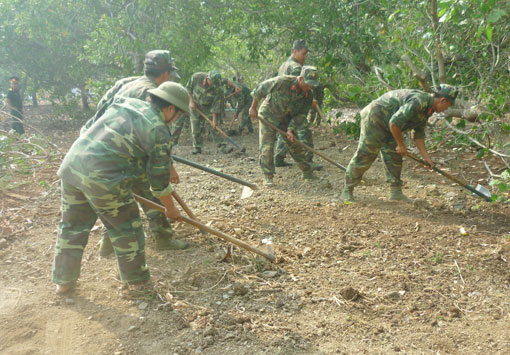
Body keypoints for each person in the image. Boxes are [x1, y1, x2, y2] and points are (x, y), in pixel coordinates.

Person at [52, 82, 190, 295]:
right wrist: (170, 210)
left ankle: (63, 282)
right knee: (127, 228)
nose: (176, 119)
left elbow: (89, 126)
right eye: (179, 114)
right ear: (171, 108)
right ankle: (137, 283)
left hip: (73, 164)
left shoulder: (125, 102)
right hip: (104, 178)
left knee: (72, 226)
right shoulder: (159, 130)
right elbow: (158, 182)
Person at [82, 50, 189, 256]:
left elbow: (100, 111)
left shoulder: (125, 82)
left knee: (116, 196)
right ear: (166, 74)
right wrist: (167, 168)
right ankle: (163, 237)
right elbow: (156, 138)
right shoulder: (152, 94)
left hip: (99, 145)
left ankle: (108, 241)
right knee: (151, 187)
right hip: (127, 151)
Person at [340, 84, 458, 203]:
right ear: (443, 100)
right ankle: (347, 190)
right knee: (367, 153)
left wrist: (426, 158)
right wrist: (400, 145)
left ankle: (395, 192)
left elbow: (418, 134)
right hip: (375, 118)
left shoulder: (429, 108)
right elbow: (394, 122)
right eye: (448, 105)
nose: (447, 109)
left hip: (390, 124)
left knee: (394, 156)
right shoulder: (418, 102)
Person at [249, 66, 321, 186]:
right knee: (267, 145)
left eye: (312, 85)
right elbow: (260, 89)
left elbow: (301, 115)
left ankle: (307, 172)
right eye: (307, 84)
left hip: (286, 118)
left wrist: (291, 129)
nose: (309, 87)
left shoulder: (308, 95)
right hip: (269, 114)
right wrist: (253, 107)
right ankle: (268, 176)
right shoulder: (282, 82)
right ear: (301, 79)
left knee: (295, 144)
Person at [274, 39, 321, 171]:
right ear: (295, 52)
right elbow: (299, 88)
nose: (305, 57)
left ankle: (278, 157)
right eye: (303, 54)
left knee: (285, 131)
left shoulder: (284, 65)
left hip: (281, 105)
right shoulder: (296, 68)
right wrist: (309, 101)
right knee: (303, 129)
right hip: (292, 105)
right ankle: (307, 161)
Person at [186, 71, 239, 155]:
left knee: (214, 127)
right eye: (212, 83)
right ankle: (197, 148)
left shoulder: (218, 87)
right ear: (208, 79)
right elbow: (188, 89)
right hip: (195, 105)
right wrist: (191, 102)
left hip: (208, 107)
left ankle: (223, 147)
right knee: (195, 127)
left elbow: (215, 105)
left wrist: (214, 120)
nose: (214, 86)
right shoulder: (197, 77)